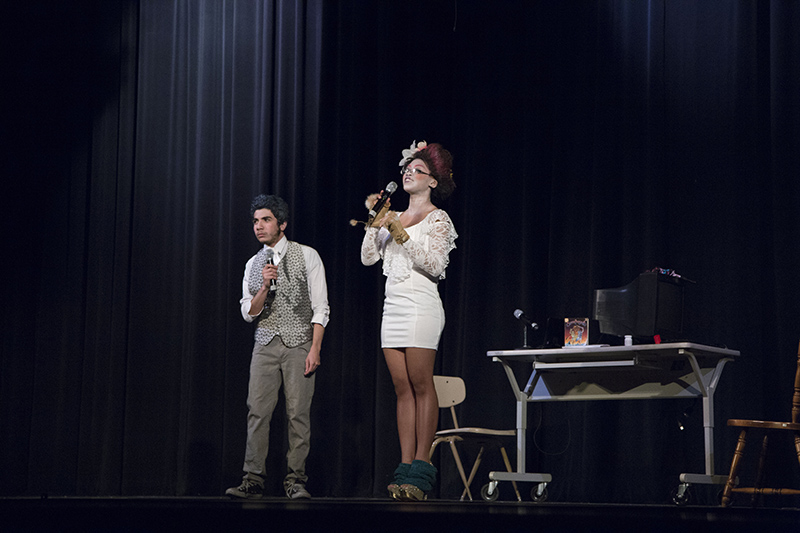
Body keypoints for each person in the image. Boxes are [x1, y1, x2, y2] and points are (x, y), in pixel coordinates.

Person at [360, 140, 457, 501]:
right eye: (406, 169)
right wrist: (377, 222)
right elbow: (368, 258)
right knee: (401, 389)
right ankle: (403, 469)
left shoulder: (438, 219)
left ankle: (421, 468)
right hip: (394, 306)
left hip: (421, 305)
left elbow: (435, 265)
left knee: (420, 384)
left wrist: (402, 234)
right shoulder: (393, 215)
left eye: (417, 170)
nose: (408, 173)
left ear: (433, 181)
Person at [226, 194, 329, 500]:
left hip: (299, 342)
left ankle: (295, 480)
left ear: (282, 224)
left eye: (266, 220)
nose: (259, 226)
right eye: (256, 221)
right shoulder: (254, 263)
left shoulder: (307, 255)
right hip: (265, 344)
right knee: (257, 411)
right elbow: (249, 313)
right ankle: (253, 478)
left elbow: (321, 307)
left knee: (298, 413)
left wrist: (315, 348)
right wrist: (263, 287)